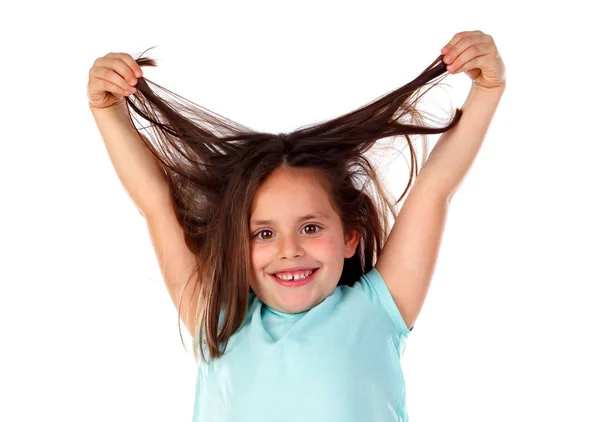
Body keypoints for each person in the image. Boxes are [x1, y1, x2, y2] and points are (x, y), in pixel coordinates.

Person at [88, 29, 506, 422]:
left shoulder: (378, 310)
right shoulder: (217, 322)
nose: (289, 249)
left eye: (310, 228)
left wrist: (487, 90)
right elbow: (156, 203)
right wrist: (107, 109)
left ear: (349, 236)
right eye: (264, 233)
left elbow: (434, 189)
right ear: (238, 245)